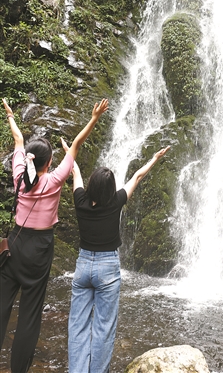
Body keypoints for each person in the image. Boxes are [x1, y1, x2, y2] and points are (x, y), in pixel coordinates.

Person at [0, 97, 109, 373]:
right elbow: (75, 144)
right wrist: (94, 117)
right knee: (29, 315)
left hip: (15, 243)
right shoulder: (56, 179)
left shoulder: (18, 174)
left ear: (28, 161)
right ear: (49, 163)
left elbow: (18, 140)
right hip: (40, 248)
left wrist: (11, 116)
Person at [63, 138, 170, 373]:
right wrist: (154, 158)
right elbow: (137, 177)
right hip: (108, 268)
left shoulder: (80, 200)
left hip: (83, 267)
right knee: (103, 327)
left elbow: (74, 171)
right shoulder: (116, 202)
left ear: (91, 186)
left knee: (78, 325)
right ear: (111, 190)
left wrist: (69, 150)